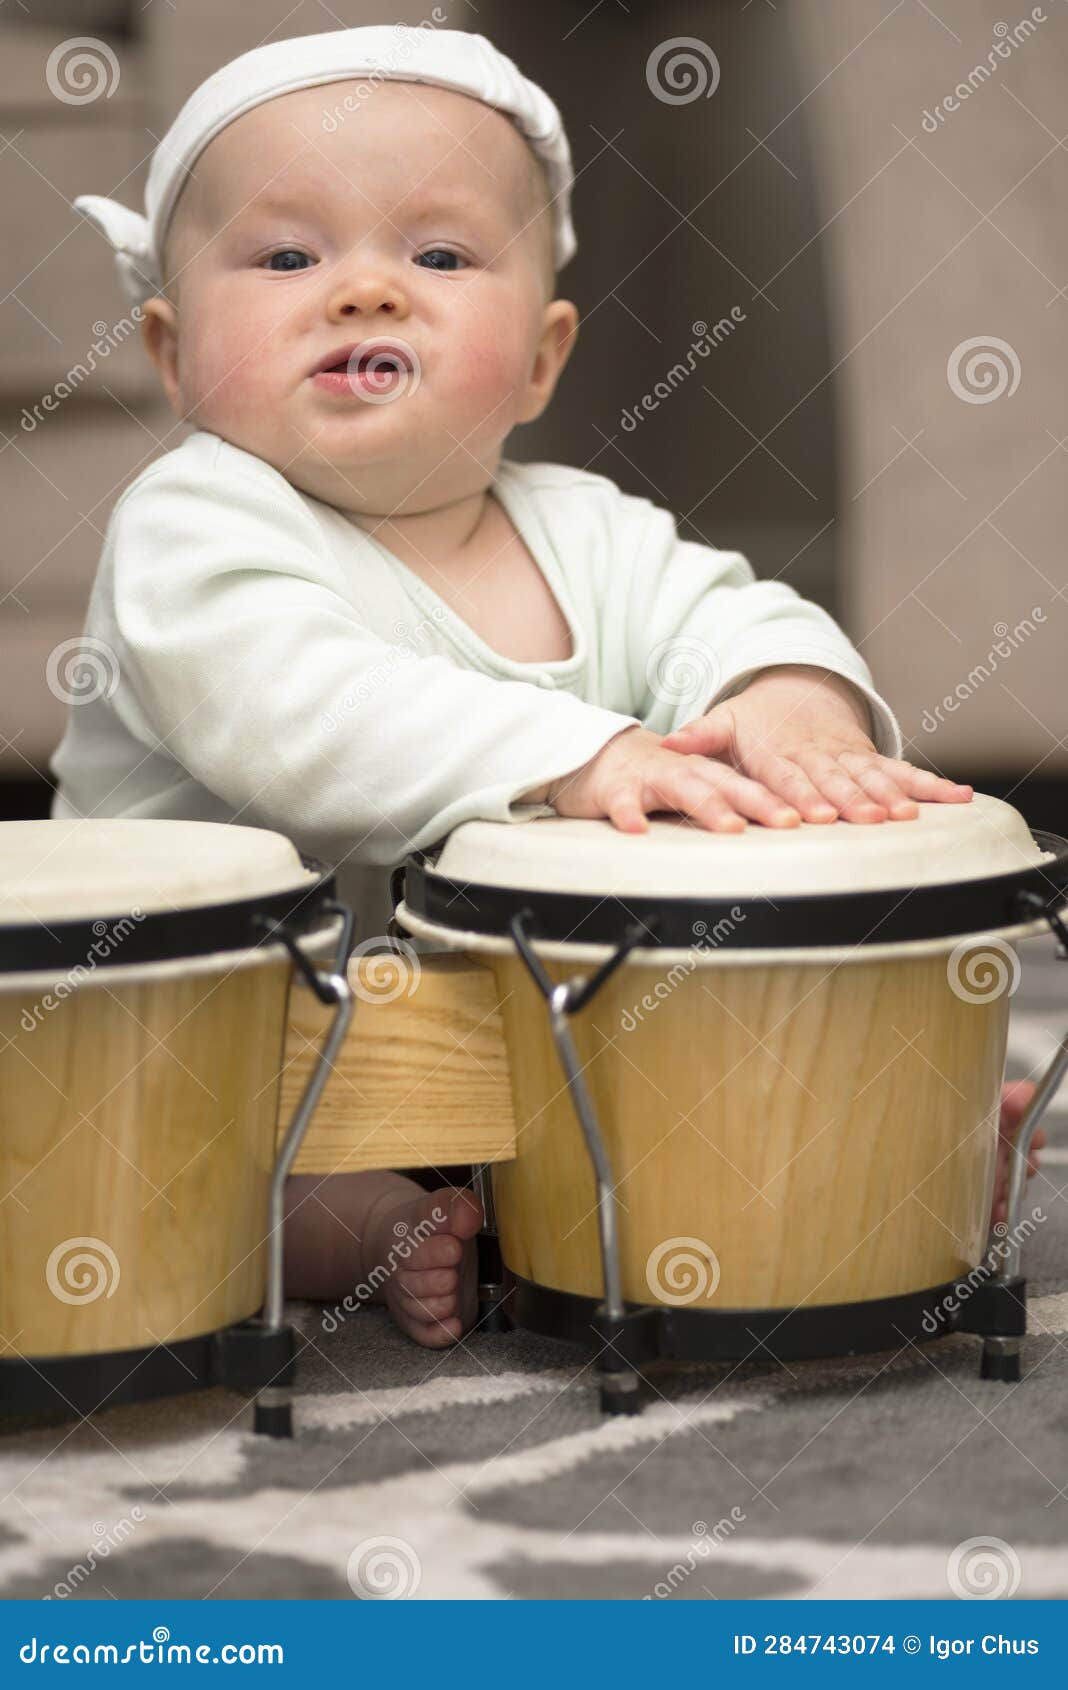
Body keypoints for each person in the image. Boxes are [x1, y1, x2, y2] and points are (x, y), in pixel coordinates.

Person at [50, 27, 1035, 1347]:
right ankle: (346, 1226)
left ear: (540, 357)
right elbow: (301, 714)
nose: (365, 293)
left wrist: (790, 700)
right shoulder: (194, 525)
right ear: (172, 355)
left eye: (439, 257)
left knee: (673, 1071)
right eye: (287, 258)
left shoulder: (586, 528)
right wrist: (585, 751)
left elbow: (729, 607)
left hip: (505, 1032)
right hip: (205, 1024)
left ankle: (888, 1162)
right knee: (194, 1154)